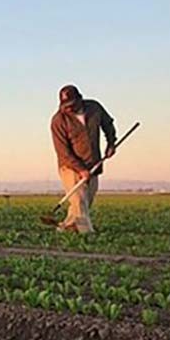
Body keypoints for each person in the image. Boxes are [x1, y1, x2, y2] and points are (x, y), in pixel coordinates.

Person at [50, 85, 116, 233]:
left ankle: (67, 227)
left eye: (71, 105)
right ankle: (87, 233)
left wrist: (111, 143)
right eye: (65, 106)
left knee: (85, 201)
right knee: (79, 200)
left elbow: (108, 124)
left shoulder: (94, 108)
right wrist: (80, 169)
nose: (68, 109)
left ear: (80, 99)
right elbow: (63, 151)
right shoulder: (58, 120)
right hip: (70, 166)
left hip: (93, 163)